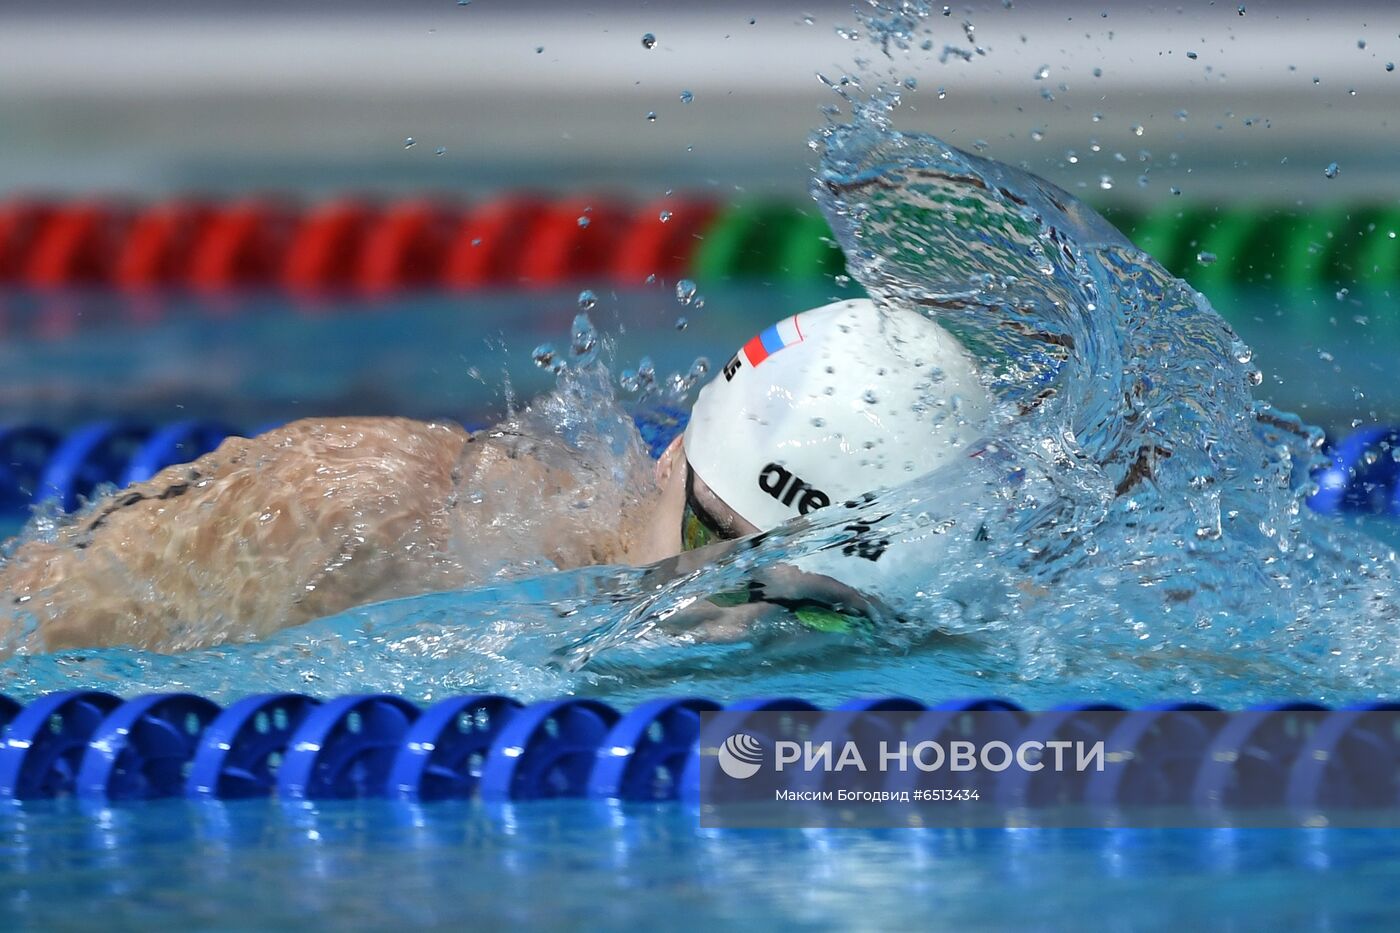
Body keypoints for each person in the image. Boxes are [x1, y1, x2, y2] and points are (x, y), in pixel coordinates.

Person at [0, 298, 991, 652]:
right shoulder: (367, 508)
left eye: (806, 604)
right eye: (712, 541)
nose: (730, 607)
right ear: (669, 454)